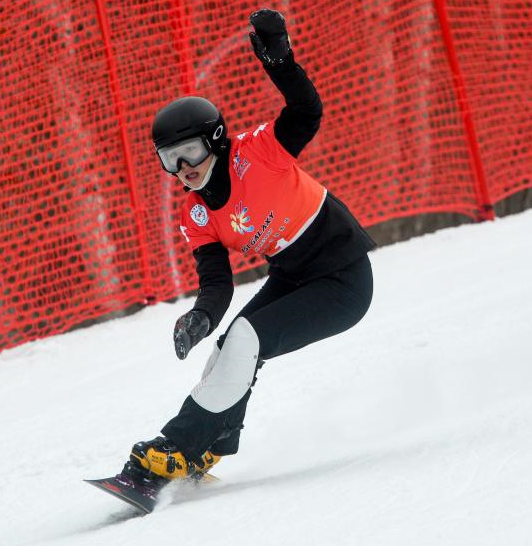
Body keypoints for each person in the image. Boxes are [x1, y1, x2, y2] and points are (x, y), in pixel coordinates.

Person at [117, 9, 375, 487]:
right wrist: (200, 316)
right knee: (225, 349)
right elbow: (216, 282)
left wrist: (280, 62)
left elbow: (306, 113)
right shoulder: (195, 213)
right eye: (169, 160)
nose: (183, 168)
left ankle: (177, 447)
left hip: (342, 277)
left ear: (214, 139)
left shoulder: (257, 152)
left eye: (189, 152)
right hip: (294, 275)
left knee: (246, 339)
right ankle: (206, 450)